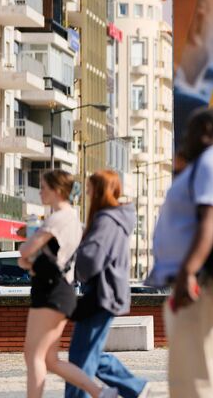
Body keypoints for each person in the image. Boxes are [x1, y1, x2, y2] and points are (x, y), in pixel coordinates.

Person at [146, 107, 213, 397]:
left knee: (198, 376)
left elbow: (209, 220)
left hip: (203, 283)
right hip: (207, 282)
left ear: (205, 130)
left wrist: (188, 272)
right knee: (190, 379)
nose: (184, 139)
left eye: (189, 132)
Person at [18, 170, 117, 398]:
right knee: (50, 360)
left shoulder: (57, 218)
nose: (40, 192)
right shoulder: (73, 219)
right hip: (62, 291)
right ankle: (100, 392)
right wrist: (29, 260)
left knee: (33, 355)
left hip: (50, 292)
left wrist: (27, 257)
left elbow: (25, 252)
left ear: (57, 191)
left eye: (43, 187)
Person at [65, 170, 149, 398]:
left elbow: (92, 258)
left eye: (90, 188)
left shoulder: (106, 219)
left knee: (81, 355)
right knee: (89, 352)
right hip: (108, 292)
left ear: (100, 190)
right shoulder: (113, 218)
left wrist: (77, 255)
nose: (87, 193)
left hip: (102, 293)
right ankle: (135, 386)